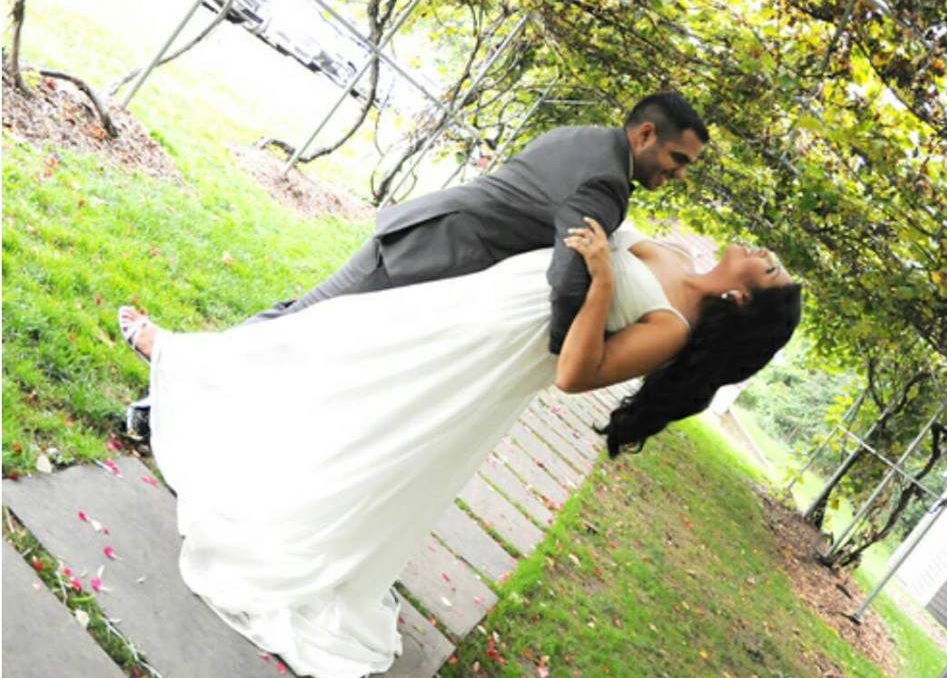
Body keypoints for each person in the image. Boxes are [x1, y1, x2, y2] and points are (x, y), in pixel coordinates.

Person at [116, 218, 801, 678]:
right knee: (338, 344)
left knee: (370, 400)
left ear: (741, 295)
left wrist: (598, 281)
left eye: (765, 267)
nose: (759, 248)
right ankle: (199, 374)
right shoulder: (677, 252)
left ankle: (182, 369)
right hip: (483, 299)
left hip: (496, 352)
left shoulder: (672, 329)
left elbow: (575, 374)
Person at [124, 92, 708, 438]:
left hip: (431, 241)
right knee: (298, 327)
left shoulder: (586, 138)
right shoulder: (607, 182)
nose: (677, 173)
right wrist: (562, 343)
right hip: (425, 252)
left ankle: (177, 389)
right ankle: (167, 388)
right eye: (677, 159)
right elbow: (568, 272)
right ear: (647, 133)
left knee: (304, 328)